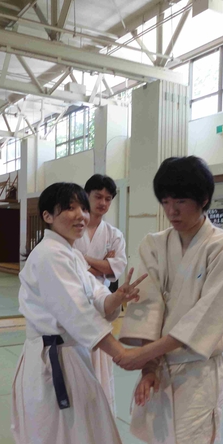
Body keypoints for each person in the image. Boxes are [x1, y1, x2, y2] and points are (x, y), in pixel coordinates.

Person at [1, 182, 146, 444]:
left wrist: (116, 297)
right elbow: (76, 313)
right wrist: (119, 353)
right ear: (47, 216)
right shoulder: (50, 255)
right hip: (53, 364)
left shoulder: (70, 254)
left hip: (72, 358)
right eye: (69, 208)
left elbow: (95, 296)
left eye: (82, 207)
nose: (80, 215)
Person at [116, 156, 223, 444]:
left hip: (197, 369)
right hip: (162, 366)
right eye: (165, 201)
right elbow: (147, 308)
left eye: (181, 201)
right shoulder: (154, 245)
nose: (171, 211)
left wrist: (142, 355)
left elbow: (206, 317)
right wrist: (149, 366)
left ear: (203, 200)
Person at [74, 174, 127, 416]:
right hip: (72, 297)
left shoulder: (113, 234)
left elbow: (116, 269)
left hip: (100, 301)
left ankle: (100, 414)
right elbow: (66, 266)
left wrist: (84, 260)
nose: (103, 203)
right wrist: (102, 263)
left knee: (100, 356)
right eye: (98, 196)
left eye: (108, 198)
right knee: (75, 356)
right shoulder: (73, 228)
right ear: (86, 195)